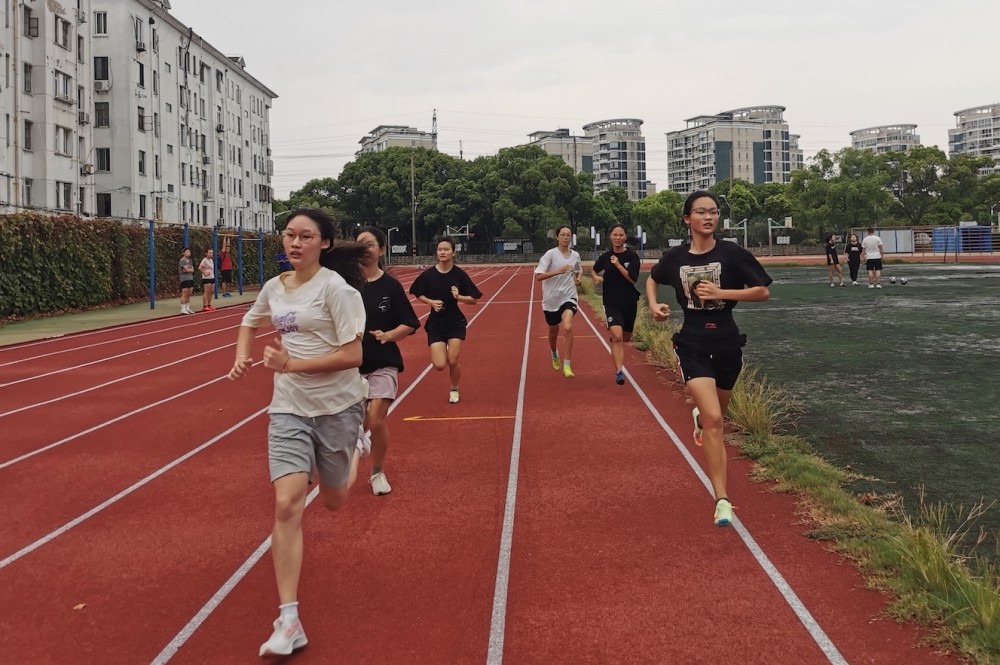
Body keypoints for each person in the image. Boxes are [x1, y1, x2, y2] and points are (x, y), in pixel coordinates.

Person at [228, 208, 368, 657]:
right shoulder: (275, 287)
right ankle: (289, 619)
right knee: (287, 502)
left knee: (333, 499)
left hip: (337, 406)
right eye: (289, 234)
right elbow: (250, 320)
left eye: (305, 236)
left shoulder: (337, 290)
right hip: (288, 407)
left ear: (324, 243)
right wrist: (243, 357)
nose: (294, 242)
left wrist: (292, 363)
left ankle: (355, 451)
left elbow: (353, 355)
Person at [645, 190, 772, 527]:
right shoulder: (674, 258)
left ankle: (701, 420)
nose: (708, 217)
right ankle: (722, 500)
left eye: (713, 212)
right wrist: (654, 306)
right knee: (716, 420)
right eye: (701, 212)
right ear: (688, 219)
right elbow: (653, 279)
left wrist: (721, 293)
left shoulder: (733, 254)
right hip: (693, 344)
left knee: (718, 416)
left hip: (728, 342)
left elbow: (762, 291)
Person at [355, 226, 420, 496]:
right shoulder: (344, 284)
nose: (364, 250)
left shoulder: (390, 286)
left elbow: (410, 323)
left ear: (381, 249)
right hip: (349, 365)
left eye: (370, 245)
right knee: (355, 421)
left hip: (383, 361)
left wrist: (389, 335)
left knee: (376, 418)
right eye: (360, 245)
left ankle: (377, 472)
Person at [409, 236, 483, 404]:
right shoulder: (428, 275)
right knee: (440, 365)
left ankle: (454, 389)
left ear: (453, 253)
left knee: (453, 360)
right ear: (437, 252)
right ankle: (444, 359)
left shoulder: (460, 275)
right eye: (440, 249)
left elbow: (474, 299)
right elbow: (417, 291)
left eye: (446, 249)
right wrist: (430, 302)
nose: (442, 252)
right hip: (435, 323)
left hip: (455, 321)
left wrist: (459, 296)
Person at [592, 223, 641, 384]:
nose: (618, 238)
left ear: (626, 236)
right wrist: (595, 276)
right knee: (618, 336)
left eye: (621, 235)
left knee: (625, 337)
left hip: (629, 301)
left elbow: (633, 278)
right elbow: (594, 269)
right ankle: (619, 372)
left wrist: (618, 265)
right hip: (611, 302)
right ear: (610, 236)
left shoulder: (632, 256)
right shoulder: (605, 257)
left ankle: (615, 342)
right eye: (615, 235)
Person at [534, 225, 582, 378]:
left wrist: (578, 278)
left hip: (569, 296)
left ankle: (567, 365)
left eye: (568, 235)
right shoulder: (550, 255)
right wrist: (558, 271)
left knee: (567, 327)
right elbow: (539, 276)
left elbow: (577, 270)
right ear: (557, 237)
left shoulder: (575, 255)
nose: (566, 238)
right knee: (553, 332)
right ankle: (554, 353)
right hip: (551, 300)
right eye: (563, 235)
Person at [178, 248, 195, 315]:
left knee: (189, 293)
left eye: (189, 252)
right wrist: (188, 269)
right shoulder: (182, 260)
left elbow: (192, 269)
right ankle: (183, 308)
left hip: (190, 278)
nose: (188, 253)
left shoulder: (190, 260)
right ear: (183, 253)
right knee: (185, 293)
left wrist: (188, 269)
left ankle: (187, 308)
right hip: (184, 278)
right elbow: (186, 269)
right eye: (187, 252)